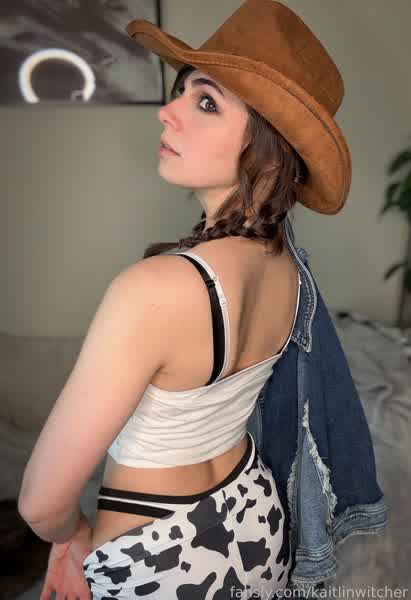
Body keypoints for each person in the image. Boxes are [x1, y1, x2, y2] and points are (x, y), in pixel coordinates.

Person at [20, 1, 386, 599]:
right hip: (254, 518)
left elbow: (40, 501)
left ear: (269, 150)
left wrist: (73, 535)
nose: (167, 112)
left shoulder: (154, 289)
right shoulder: (289, 266)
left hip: (159, 555)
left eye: (207, 102)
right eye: (182, 92)